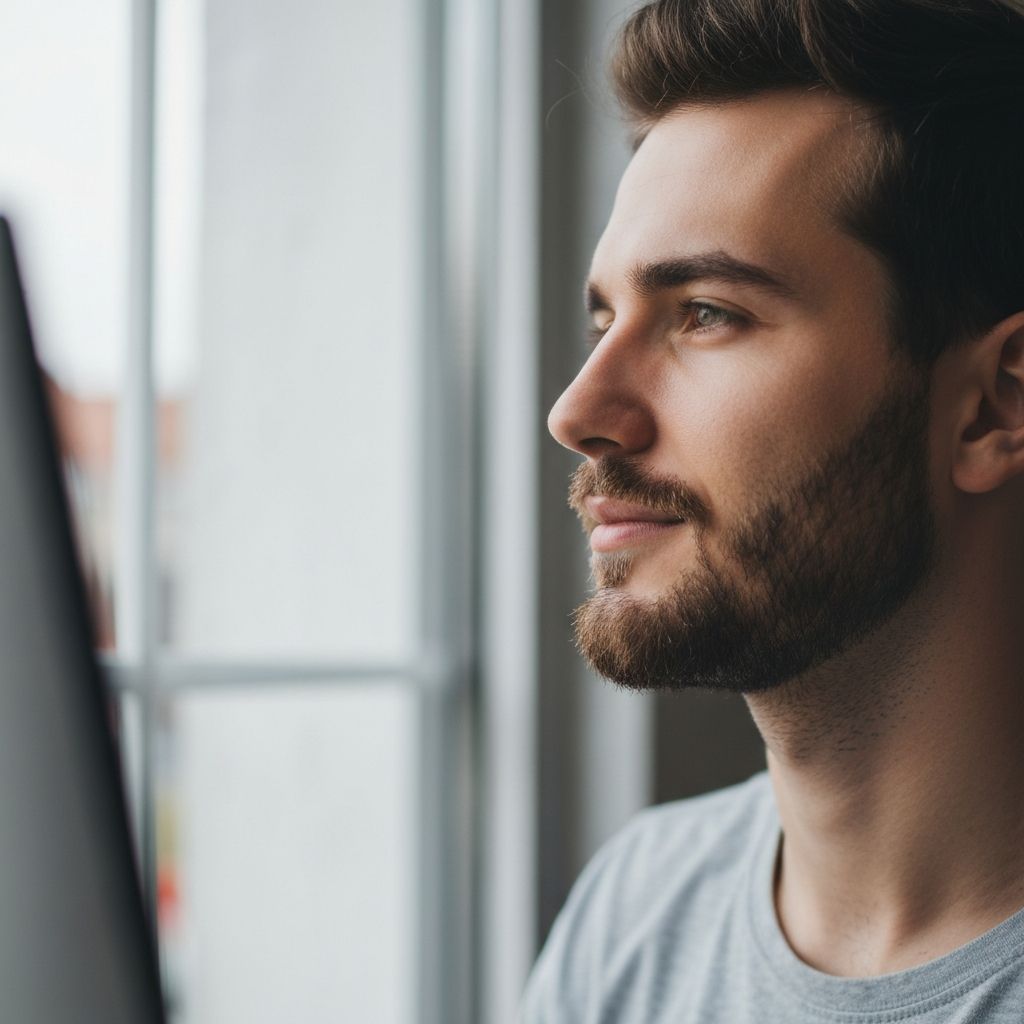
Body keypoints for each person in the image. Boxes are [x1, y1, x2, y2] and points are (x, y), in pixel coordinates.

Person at [520, 0, 1024, 1020]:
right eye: (605, 319)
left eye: (706, 313)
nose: (576, 411)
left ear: (991, 405)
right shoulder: (634, 915)